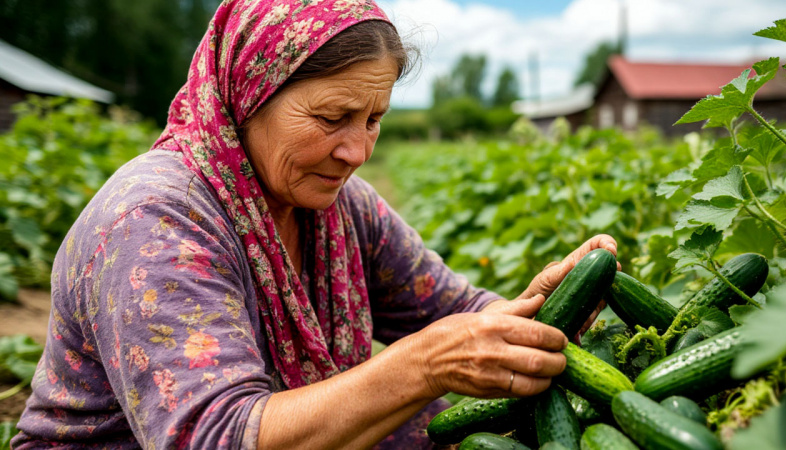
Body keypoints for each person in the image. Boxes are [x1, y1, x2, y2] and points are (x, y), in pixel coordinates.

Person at [12, 0, 618, 448]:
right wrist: (420, 366)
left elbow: (452, 308)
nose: (357, 151)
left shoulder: (337, 204)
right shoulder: (155, 218)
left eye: (374, 119)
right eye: (333, 117)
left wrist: (536, 311)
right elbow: (214, 437)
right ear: (248, 96)